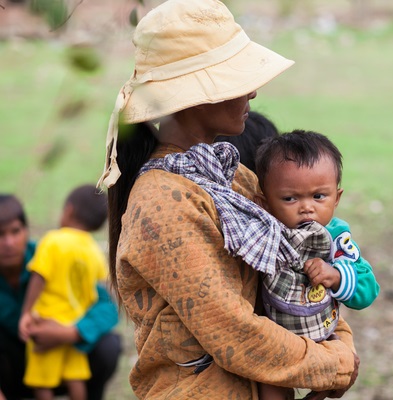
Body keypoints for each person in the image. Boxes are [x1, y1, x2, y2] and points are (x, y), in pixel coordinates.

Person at [97, 0, 359, 399]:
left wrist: (339, 341)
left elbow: (302, 259)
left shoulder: (233, 175)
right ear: (198, 95)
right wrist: (334, 363)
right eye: (238, 80)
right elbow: (234, 332)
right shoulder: (163, 204)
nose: (253, 90)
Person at [253, 130, 380, 400]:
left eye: (319, 196)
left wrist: (335, 276)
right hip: (276, 341)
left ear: (337, 198)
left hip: (322, 334)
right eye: (290, 198)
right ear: (264, 203)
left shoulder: (337, 239)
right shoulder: (265, 234)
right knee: (270, 389)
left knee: (332, 379)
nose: (306, 208)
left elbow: (368, 289)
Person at [0, 194, 121, 400]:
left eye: (15, 231)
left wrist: (70, 333)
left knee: (108, 346)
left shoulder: (53, 253)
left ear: (27, 231)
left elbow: (107, 308)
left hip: (65, 358)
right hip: (15, 370)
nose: (9, 242)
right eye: (0, 234)